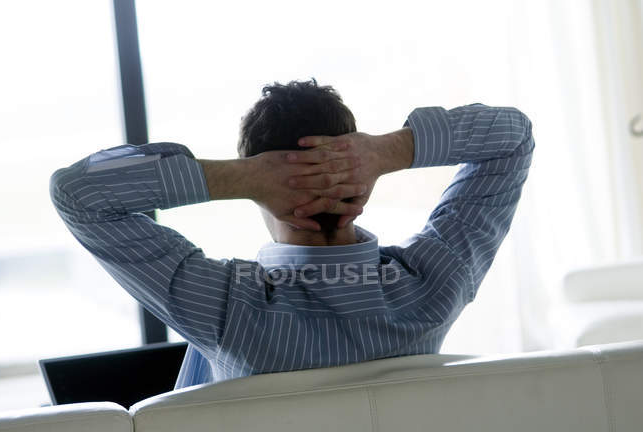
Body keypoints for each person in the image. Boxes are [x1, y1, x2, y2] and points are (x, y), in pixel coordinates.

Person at [50, 79, 534, 388]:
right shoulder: (431, 286)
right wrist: (387, 152)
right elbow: (512, 138)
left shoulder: (224, 308)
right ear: (357, 169)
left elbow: (77, 194)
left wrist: (241, 178)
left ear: (262, 185)